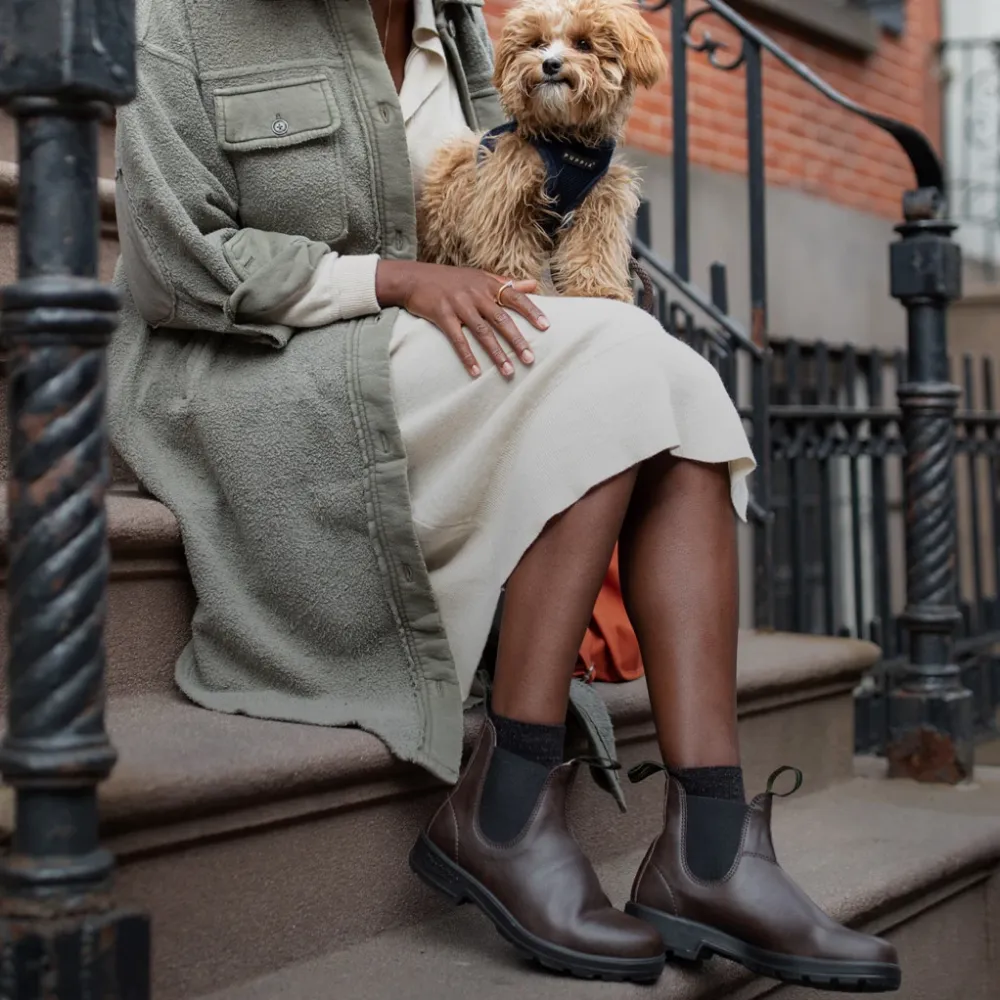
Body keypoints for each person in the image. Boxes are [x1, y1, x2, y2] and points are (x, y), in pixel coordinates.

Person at [111, 0, 900, 990]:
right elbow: (172, 261)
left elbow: (508, 207)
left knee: (672, 374)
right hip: (253, 367)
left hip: (430, 348)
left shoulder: (461, 29)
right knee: (608, 365)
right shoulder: (187, 23)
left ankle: (708, 847)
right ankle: (510, 799)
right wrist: (393, 279)